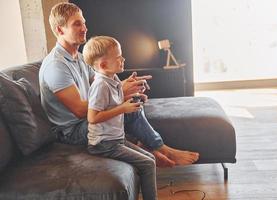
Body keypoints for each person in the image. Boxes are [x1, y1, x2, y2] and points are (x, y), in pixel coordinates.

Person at [39, 2, 199, 167]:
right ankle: (161, 149)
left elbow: (102, 87)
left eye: (84, 23)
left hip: (86, 119)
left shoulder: (79, 58)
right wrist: (121, 92)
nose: (84, 28)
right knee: (128, 112)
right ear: (60, 30)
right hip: (70, 132)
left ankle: (148, 149)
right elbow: (80, 111)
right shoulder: (55, 66)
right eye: (77, 24)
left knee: (134, 104)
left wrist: (129, 91)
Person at [83, 35, 157, 200]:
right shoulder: (100, 85)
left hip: (116, 139)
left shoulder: (113, 79)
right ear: (103, 65)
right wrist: (122, 108)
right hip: (103, 144)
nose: (123, 59)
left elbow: (114, 101)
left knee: (150, 157)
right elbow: (92, 117)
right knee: (148, 163)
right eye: (118, 57)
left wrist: (134, 95)